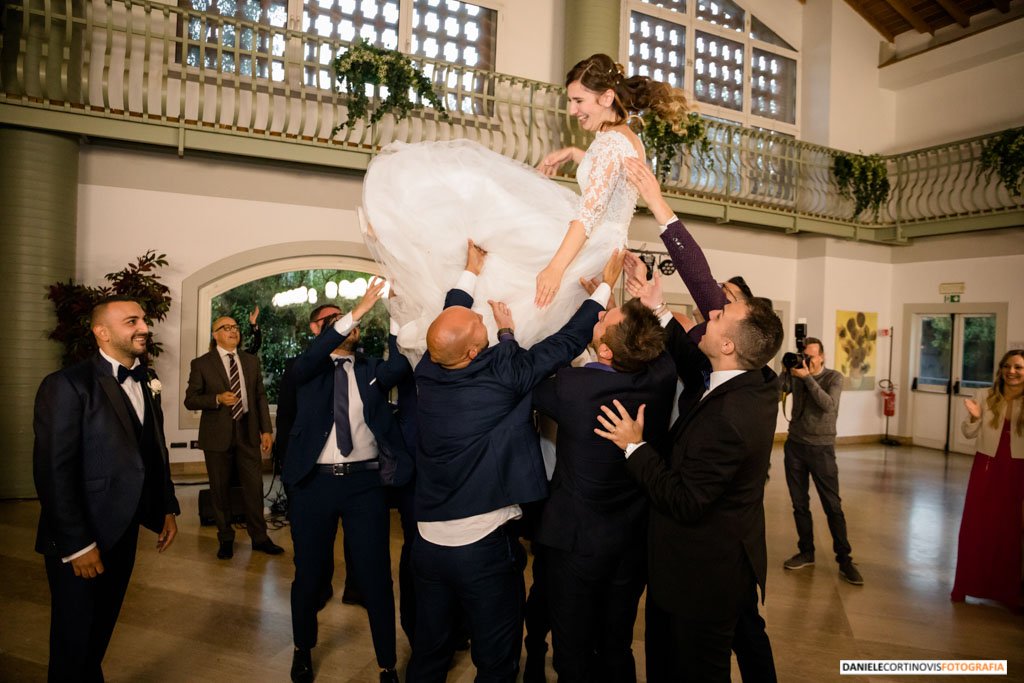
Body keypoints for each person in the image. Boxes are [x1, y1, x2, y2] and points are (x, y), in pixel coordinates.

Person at [361, 53, 689, 358]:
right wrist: (574, 154)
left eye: (579, 101)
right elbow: (613, 182)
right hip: (608, 243)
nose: (573, 111)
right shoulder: (628, 136)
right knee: (494, 233)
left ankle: (397, 222)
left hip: (589, 241)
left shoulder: (610, 144)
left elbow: (587, 217)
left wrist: (555, 269)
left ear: (606, 98)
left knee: (483, 193)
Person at [407, 243, 623, 682]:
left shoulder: (428, 372)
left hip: (426, 543)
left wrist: (470, 272)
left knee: (429, 653)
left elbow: (447, 324)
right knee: (496, 659)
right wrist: (603, 288)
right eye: (477, 324)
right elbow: (566, 342)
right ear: (470, 352)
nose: (480, 317)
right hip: (481, 544)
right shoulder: (505, 375)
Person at [595, 291, 783, 682]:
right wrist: (658, 307)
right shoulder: (759, 379)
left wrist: (635, 447)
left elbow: (684, 500)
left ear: (728, 345)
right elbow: (695, 359)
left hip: (701, 576)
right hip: (730, 556)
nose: (710, 313)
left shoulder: (728, 419)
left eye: (719, 317)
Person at [33, 297, 181, 681]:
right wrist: (76, 544)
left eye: (143, 320)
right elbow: (53, 471)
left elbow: (153, 450)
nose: (144, 327)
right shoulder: (66, 384)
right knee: (73, 638)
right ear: (102, 332)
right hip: (81, 536)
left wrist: (166, 506)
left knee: (99, 630)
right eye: (131, 321)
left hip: (123, 529)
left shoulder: (145, 380)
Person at [532, 297, 677, 683]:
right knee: (616, 644)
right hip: (630, 541)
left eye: (604, 321)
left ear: (608, 350)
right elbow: (660, 349)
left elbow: (528, 376)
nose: (598, 316)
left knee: (572, 651)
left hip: (577, 542)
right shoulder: (661, 379)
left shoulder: (573, 388)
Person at [282, 277, 412, 683]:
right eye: (330, 320)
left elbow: (400, 365)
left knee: (375, 576)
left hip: (364, 486)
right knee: (309, 575)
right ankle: (303, 648)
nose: (343, 324)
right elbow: (315, 354)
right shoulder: (303, 370)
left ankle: (386, 663)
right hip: (313, 486)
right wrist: (354, 310)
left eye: (347, 321)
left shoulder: (372, 370)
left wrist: (392, 314)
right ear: (315, 331)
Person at [623, 156, 753, 342]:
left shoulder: (714, 336)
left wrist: (656, 202)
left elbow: (699, 277)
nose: (716, 296)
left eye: (723, 290)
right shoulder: (697, 339)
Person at [184, 316, 283, 559]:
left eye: (235, 328)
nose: (233, 331)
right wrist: (216, 399)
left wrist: (266, 430)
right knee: (220, 490)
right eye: (226, 328)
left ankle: (259, 538)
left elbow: (260, 396)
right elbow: (190, 399)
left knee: (254, 487)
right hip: (217, 436)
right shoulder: (201, 364)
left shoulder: (251, 361)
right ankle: (225, 538)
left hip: (247, 433)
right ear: (215, 334)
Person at [779, 336, 863, 586]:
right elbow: (777, 391)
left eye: (812, 356)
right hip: (795, 446)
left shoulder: (833, 377)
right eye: (805, 356)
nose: (808, 361)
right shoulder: (797, 374)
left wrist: (807, 378)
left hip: (822, 449)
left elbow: (828, 405)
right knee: (799, 504)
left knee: (832, 505)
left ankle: (845, 560)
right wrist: (787, 372)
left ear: (822, 356)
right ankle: (807, 551)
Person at [951, 349, 1024, 609]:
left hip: (1018, 470)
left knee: (1011, 531)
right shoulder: (984, 395)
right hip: (986, 467)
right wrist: (974, 417)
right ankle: (966, 585)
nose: (1011, 372)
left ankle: (1009, 591)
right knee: (977, 525)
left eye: (1018, 367)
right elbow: (968, 433)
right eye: (1007, 366)